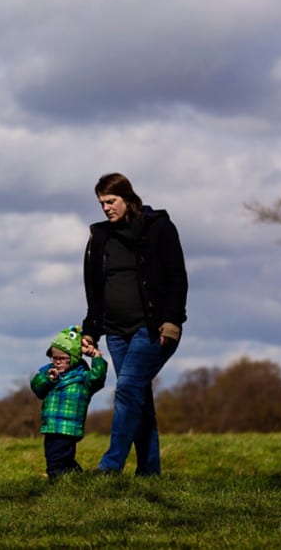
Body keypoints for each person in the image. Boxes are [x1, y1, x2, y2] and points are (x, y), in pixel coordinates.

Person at [81, 172, 188, 476]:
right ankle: (149, 472)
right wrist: (91, 329)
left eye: (111, 201)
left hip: (153, 328)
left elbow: (177, 277)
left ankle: (111, 464)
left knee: (127, 388)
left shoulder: (159, 228)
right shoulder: (99, 237)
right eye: (102, 203)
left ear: (127, 198)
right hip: (115, 331)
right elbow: (94, 288)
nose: (106, 208)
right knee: (138, 396)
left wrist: (172, 321)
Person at [30, 325, 108, 482]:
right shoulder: (48, 374)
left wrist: (97, 357)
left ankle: (56, 485)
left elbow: (97, 379)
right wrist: (49, 379)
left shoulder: (82, 379)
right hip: (51, 426)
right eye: (54, 358)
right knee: (63, 459)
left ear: (72, 358)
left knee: (55, 462)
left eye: (62, 359)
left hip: (68, 428)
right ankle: (79, 479)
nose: (57, 362)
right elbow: (37, 387)